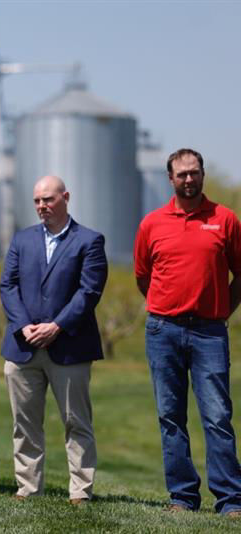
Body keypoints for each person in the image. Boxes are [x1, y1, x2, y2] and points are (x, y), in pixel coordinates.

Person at [134, 148, 241, 517]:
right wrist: (167, 307)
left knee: (217, 416)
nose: (189, 180)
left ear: (203, 174)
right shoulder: (152, 223)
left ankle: (230, 500)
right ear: (170, 178)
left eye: (194, 173)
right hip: (163, 330)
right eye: (182, 174)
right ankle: (182, 497)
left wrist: (221, 310)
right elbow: (143, 276)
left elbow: (239, 275)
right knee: (170, 416)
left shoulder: (225, 219)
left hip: (210, 332)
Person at [0, 175, 107, 505]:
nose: (42, 206)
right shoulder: (22, 240)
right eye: (37, 201)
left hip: (70, 347)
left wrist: (56, 326)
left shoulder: (89, 240)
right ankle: (28, 488)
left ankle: (80, 491)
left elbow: (89, 292)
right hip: (23, 346)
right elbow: (8, 286)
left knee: (77, 422)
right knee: (24, 424)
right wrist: (23, 326)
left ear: (65, 197)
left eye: (48, 199)